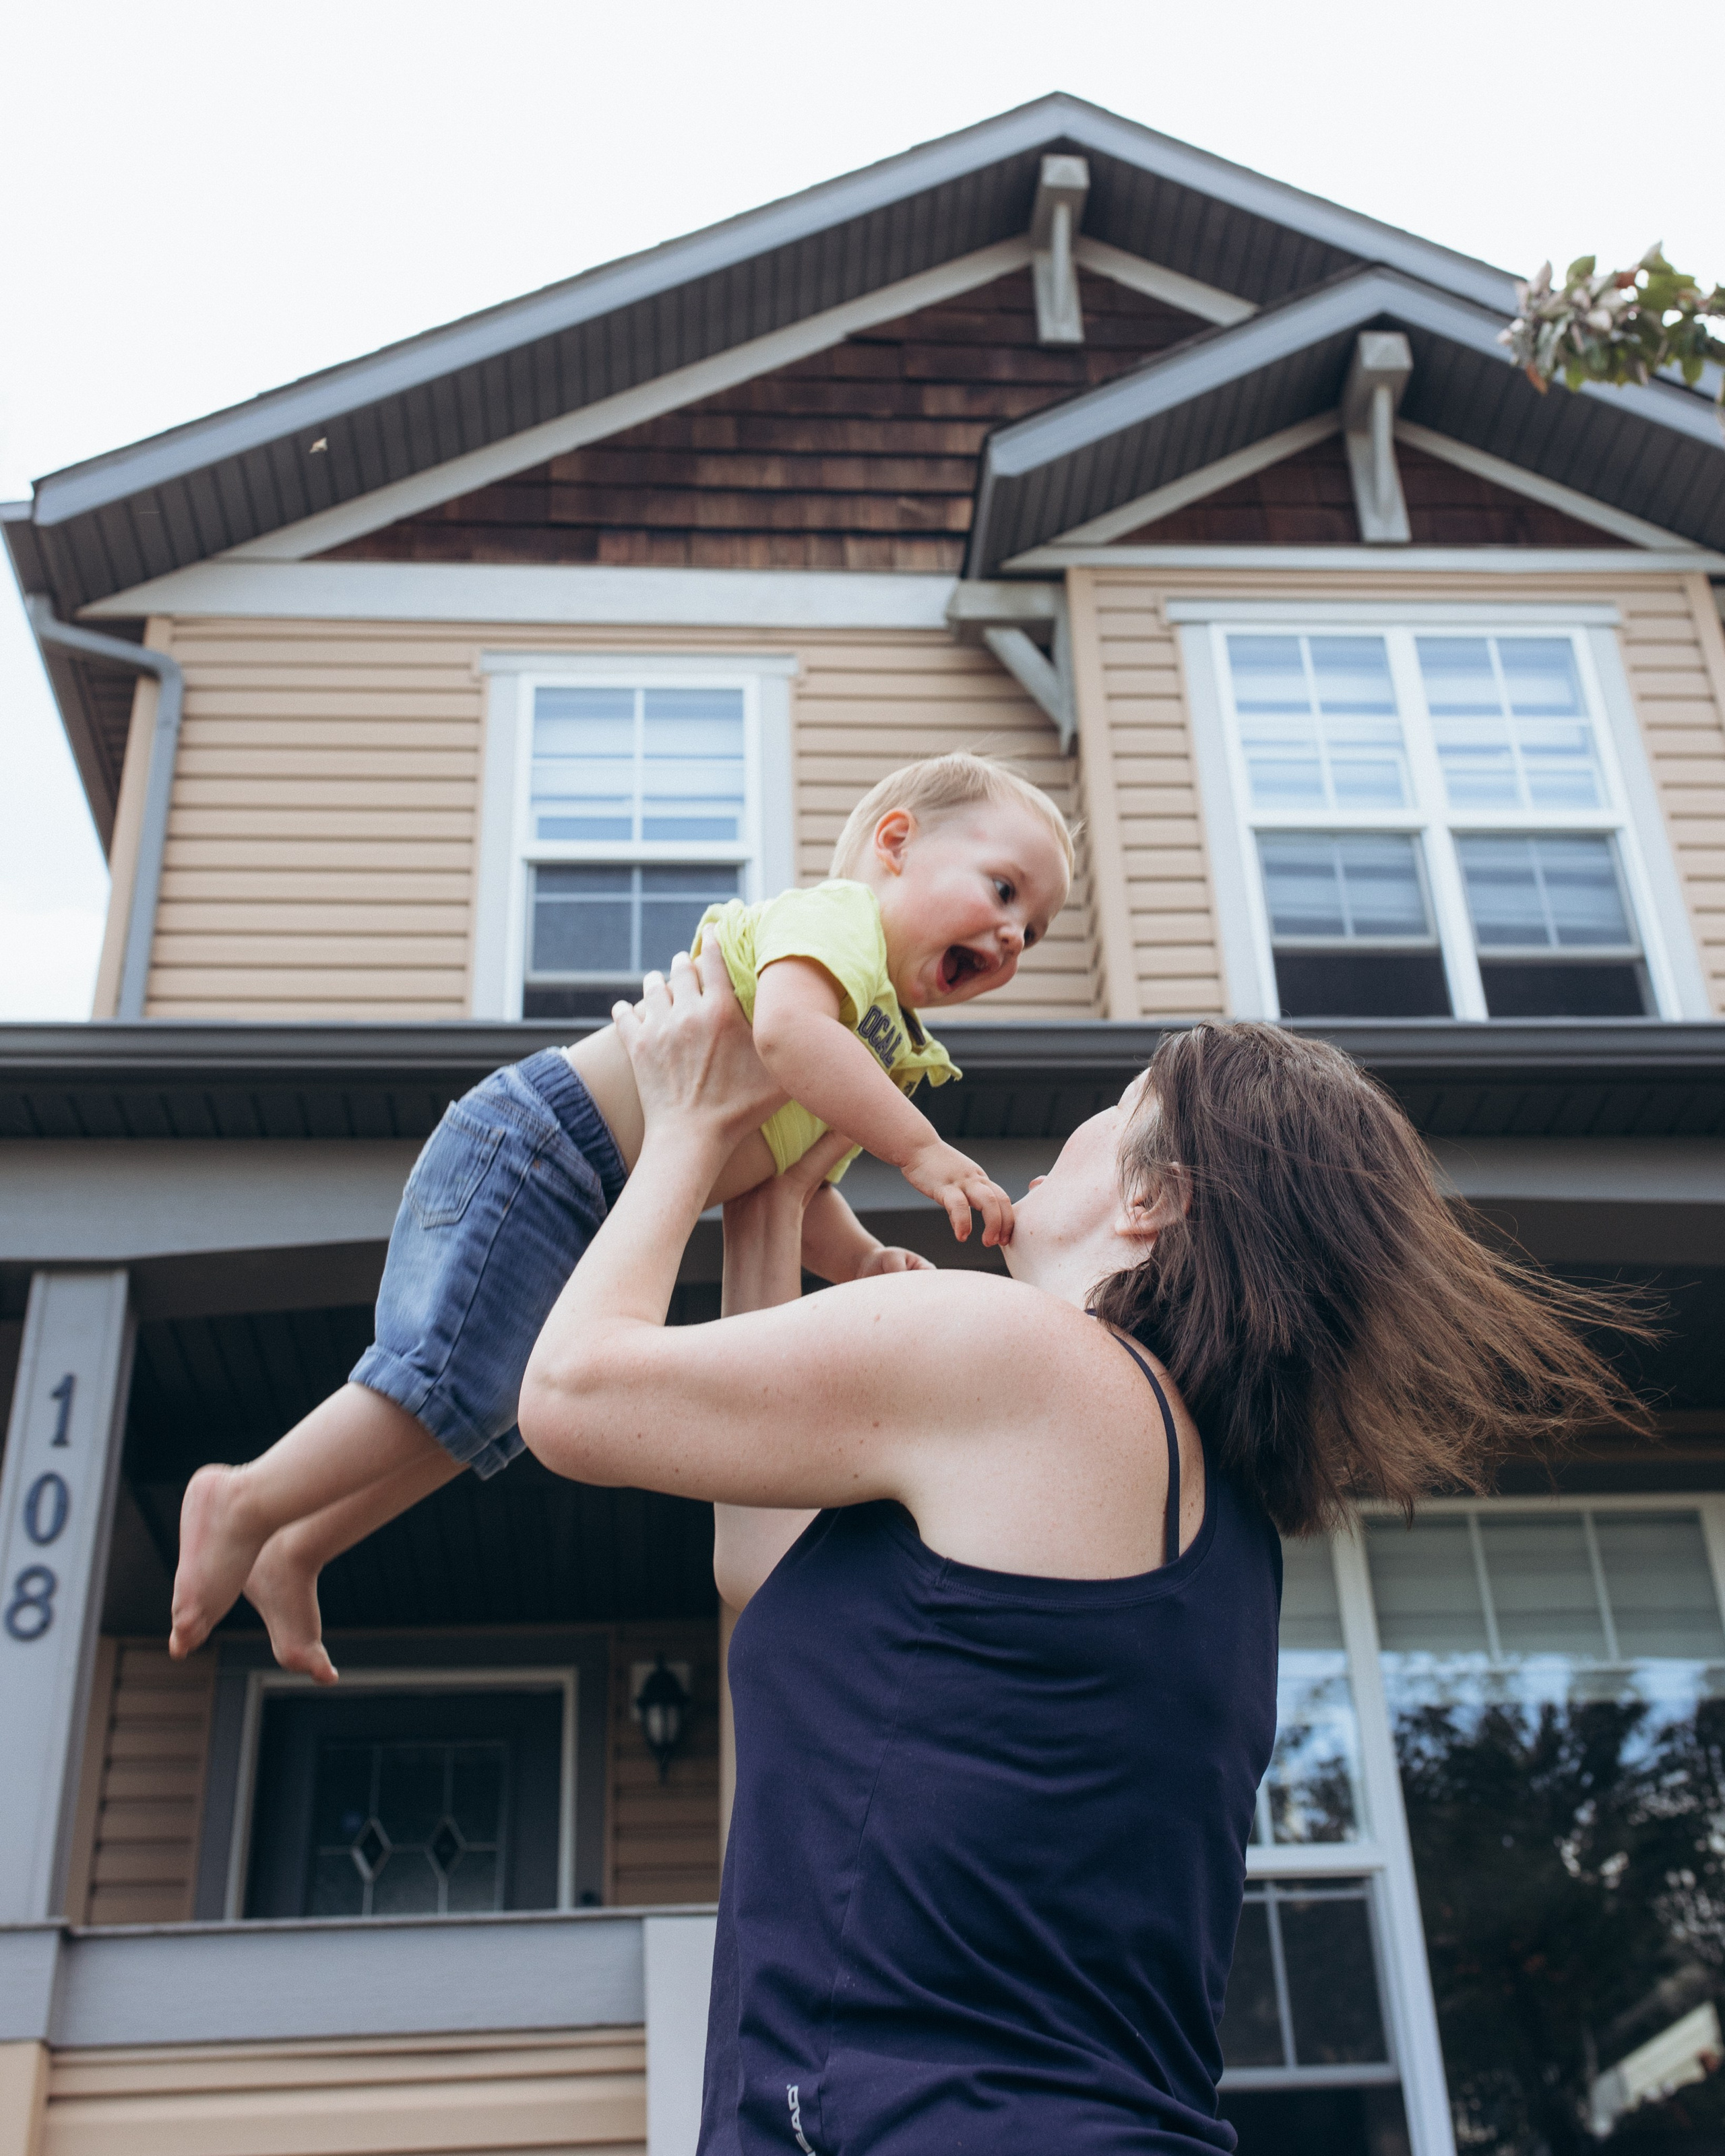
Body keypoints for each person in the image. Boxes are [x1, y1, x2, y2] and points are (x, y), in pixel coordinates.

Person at [516, 943, 1645, 2156]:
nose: (1079, 1122)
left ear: (1153, 1195)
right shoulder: (1197, 1503)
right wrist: (772, 1198)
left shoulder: (1023, 1358)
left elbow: (574, 1396)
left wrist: (687, 1126)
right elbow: (762, 1567)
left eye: (1118, 1106)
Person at [166, 753, 1074, 1683]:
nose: (1011, 937)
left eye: (1034, 932)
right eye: (1003, 890)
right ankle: (242, 1499)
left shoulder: (884, 1042)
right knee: (444, 1371)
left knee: (488, 1409)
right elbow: (785, 1035)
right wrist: (925, 1151)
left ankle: (301, 1544)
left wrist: (861, 1260)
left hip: (597, 1194)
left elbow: (794, 1187)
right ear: (895, 845)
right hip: (542, 1144)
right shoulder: (833, 922)